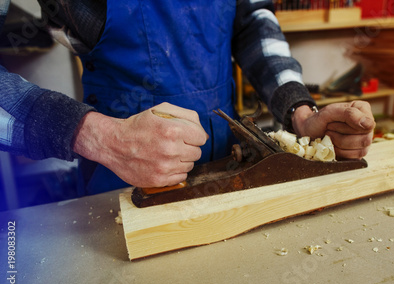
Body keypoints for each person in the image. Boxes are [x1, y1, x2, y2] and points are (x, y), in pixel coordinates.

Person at [0, 0, 374, 196]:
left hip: (233, 166)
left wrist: (299, 110)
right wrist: (95, 135)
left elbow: (251, 20)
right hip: (121, 176)